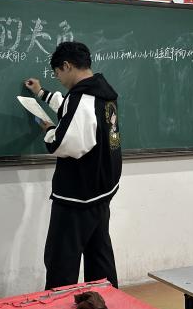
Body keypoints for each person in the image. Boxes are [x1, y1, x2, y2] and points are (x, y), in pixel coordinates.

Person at [24, 41, 121, 290]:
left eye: (57, 73)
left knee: (61, 260)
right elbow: (71, 110)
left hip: (78, 196)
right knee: (99, 256)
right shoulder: (101, 93)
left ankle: (57, 306)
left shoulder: (82, 98)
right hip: (101, 192)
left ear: (67, 66)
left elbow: (65, 144)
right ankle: (107, 300)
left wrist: (48, 130)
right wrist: (42, 93)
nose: (58, 79)